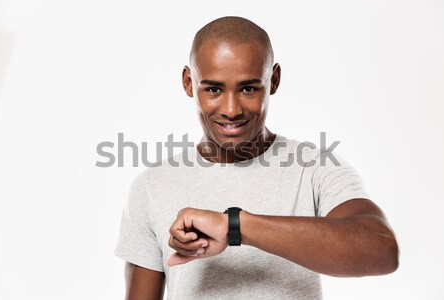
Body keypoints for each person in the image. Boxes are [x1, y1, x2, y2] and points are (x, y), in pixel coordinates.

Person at [114, 16, 399, 300]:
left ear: (273, 80)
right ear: (189, 83)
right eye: (213, 89)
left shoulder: (315, 169)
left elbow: (382, 250)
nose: (231, 109)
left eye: (248, 88)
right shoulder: (151, 187)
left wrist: (234, 226)